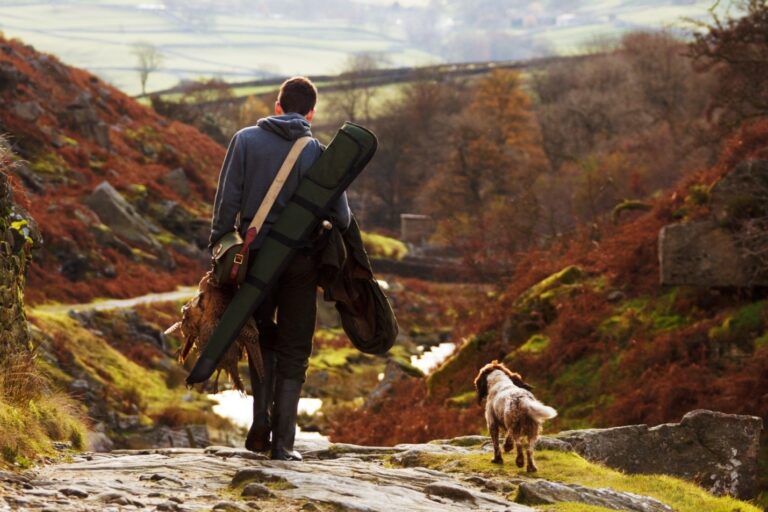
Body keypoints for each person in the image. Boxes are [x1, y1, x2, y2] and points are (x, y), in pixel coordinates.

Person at [209, 76, 351, 461]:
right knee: (294, 348)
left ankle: (259, 422)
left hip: (254, 259)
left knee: (258, 339)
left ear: (276, 106)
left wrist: (222, 252)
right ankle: (284, 444)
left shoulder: (243, 141)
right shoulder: (317, 152)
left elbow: (226, 206)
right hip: (300, 262)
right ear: (310, 113)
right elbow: (341, 215)